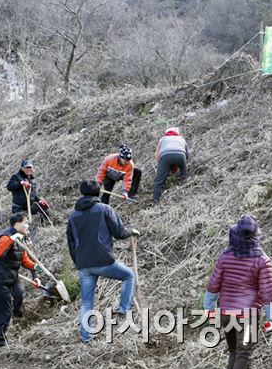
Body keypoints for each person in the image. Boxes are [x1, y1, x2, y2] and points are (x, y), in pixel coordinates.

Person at [204, 215, 272, 369]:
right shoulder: (262, 261)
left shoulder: (225, 257)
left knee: (234, 351)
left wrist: (209, 309)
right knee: (244, 353)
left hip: (226, 314)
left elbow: (213, 285)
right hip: (248, 316)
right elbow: (268, 294)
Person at [66, 180, 138, 344]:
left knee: (86, 303)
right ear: (98, 193)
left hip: (84, 264)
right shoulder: (104, 209)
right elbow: (119, 232)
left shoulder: (73, 216)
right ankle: (123, 310)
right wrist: (132, 232)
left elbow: (70, 242)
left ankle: (86, 338)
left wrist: (78, 261)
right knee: (128, 276)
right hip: (103, 260)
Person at [0, 213, 44, 347]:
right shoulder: (5, 237)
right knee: (4, 310)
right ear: (17, 224)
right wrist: (13, 238)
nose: (28, 226)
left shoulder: (20, 240)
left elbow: (25, 260)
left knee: (1, 309)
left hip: (10, 278)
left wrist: (37, 270)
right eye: (25, 223)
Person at [153, 127, 189, 204]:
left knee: (158, 182)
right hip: (181, 155)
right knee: (184, 175)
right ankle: (186, 190)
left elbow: (157, 155)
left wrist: (162, 167)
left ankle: (156, 201)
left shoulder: (162, 139)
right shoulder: (182, 139)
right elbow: (187, 155)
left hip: (165, 156)